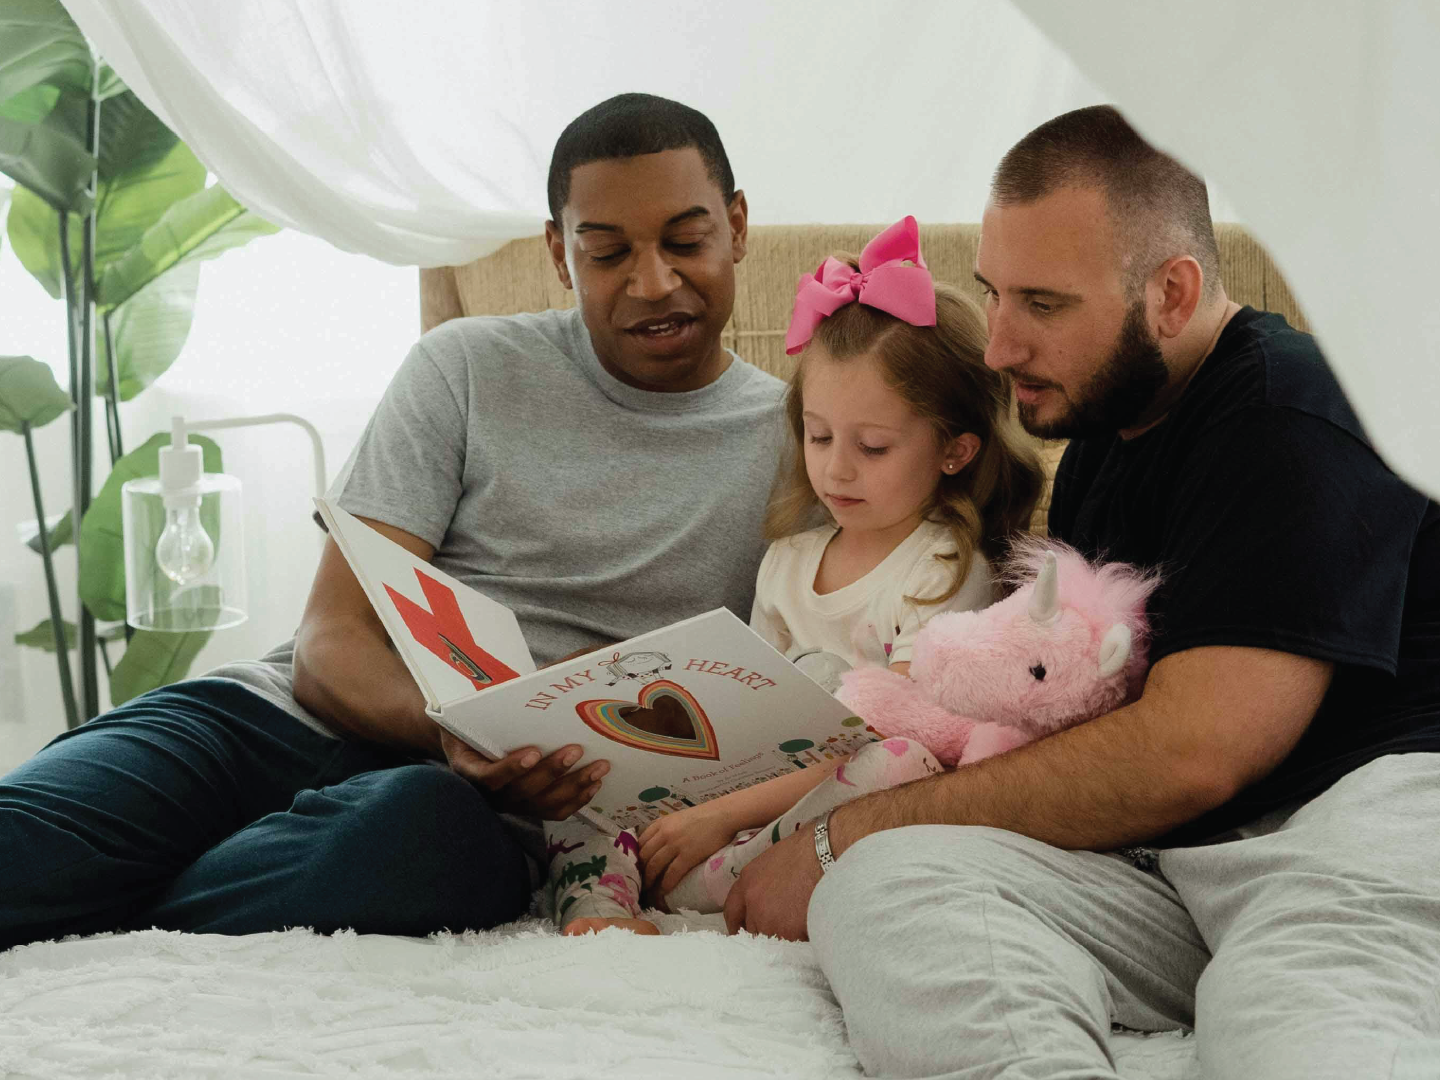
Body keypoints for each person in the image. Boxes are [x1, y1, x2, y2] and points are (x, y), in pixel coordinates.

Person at [723, 106, 1440, 1079]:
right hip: (1176, 860)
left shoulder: (1290, 415)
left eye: (1045, 305)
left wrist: (840, 828)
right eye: (994, 295)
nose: (998, 345)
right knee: (883, 883)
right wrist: (851, 841)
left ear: (1172, 293)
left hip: (1350, 829)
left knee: (1289, 1013)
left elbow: (1195, 752)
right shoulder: (1105, 440)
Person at [0, 92, 787, 952]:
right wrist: (459, 725)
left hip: (470, 812)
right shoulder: (467, 365)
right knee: (22, 845)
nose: (653, 282)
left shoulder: (810, 448)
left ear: (738, 226)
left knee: (410, 839)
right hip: (278, 724)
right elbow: (327, 645)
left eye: (686, 241)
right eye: (607, 253)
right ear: (560, 255)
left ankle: (130, 926)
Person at [550, 217, 1044, 935]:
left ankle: (717, 880)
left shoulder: (945, 571)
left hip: (805, 821)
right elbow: (743, 720)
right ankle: (601, 902)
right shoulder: (787, 561)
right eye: (818, 436)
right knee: (584, 763)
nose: (836, 468)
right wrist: (692, 799)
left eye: (872, 447)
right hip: (733, 801)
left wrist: (718, 818)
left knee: (899, 760)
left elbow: (890, 735)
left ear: (955, 450)